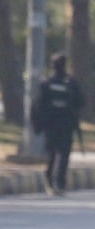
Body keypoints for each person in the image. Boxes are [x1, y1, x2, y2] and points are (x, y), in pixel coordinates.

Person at [33, 53, 84, 194]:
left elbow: (38, 105)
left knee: (52, 153)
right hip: (65, 125)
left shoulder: (47, 83)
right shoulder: (70, 83)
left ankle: (50, 181)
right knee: (64, 155)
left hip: (52, 125)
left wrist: (38, 124)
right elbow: (81, 102)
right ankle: (59, 183)